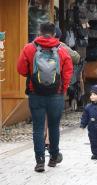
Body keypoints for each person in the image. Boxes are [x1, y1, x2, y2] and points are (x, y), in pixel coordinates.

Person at [17, 22, 73, 172]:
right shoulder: (62, 50)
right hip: (56, 94)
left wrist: (33, 75)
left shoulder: (29, 48)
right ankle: (54, 157)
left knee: (38, 127)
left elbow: (21, 69)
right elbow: (68, 71)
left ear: (39, 32)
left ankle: (40, 161)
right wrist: (63, 88)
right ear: (54, 33)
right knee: (54, 126)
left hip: (35, 93)